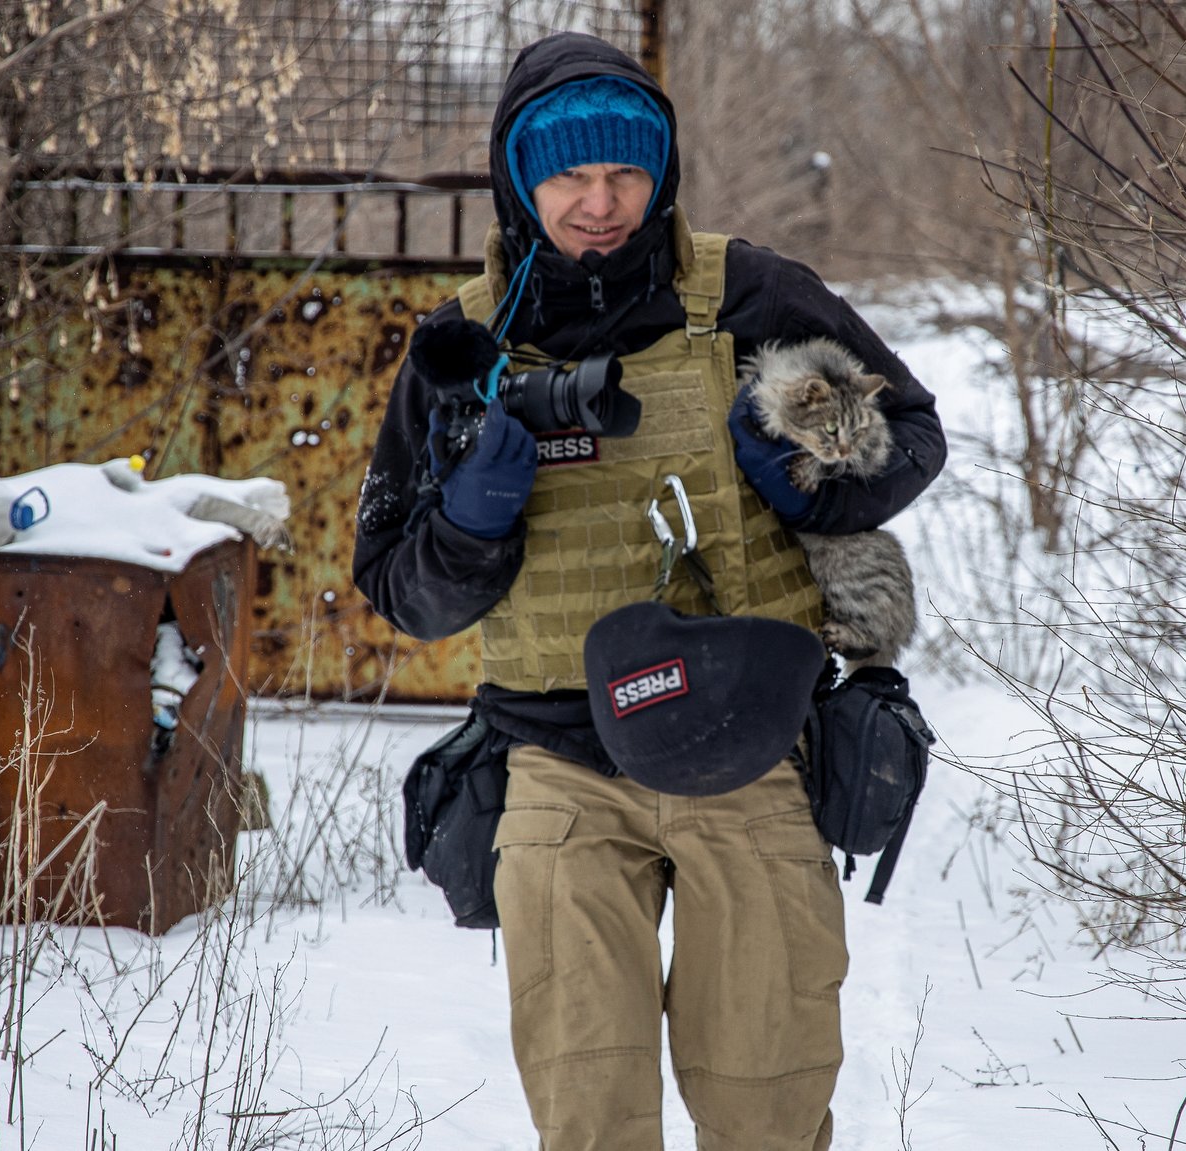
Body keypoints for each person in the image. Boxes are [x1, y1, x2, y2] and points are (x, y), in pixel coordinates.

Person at [352, 31, 945, 1151]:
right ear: (518, 179)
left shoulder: (749, 294)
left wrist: (803, 471)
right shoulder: (464, 346)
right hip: (555, 764)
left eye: (625, 172)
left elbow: (908, 436)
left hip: (753, 751)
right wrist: (470, 520)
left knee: (765, 1105)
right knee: (588, 1116)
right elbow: (398, 586)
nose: (598, 201)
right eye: (568, 174)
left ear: (660, 172)